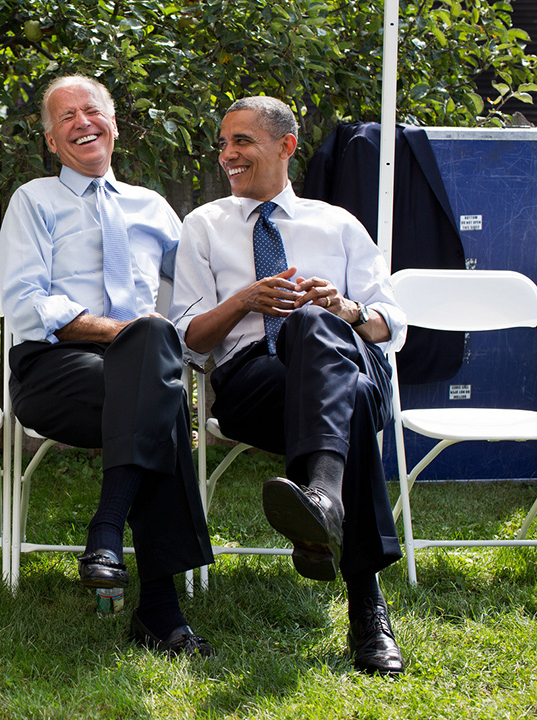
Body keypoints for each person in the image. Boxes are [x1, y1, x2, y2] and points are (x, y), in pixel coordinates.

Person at [170, 96, 407, 675]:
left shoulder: (338, 222)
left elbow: (390, 323)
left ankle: (324, 503)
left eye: (242, 141)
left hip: (350, 359)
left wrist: (344, 309)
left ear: (286, 146)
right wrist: (245, 300)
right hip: (256, 383)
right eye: (223, 142)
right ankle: (366, 604)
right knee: (342, 397)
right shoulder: (204, 226)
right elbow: (188, 338)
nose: (228, 154)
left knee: (315, 327)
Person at [0, 75, 215, 657]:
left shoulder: (153, 209)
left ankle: (107, 537)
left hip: (138, 373)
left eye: (91, 111)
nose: (81, 123)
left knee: (154, 382)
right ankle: (160, 609)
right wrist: (132, 335)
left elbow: (197, 289)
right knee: (156, 380)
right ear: (50, 141)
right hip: (57, 370)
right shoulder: (33, 202)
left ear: (114, 125)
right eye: (65, 117)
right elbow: (26, 304)